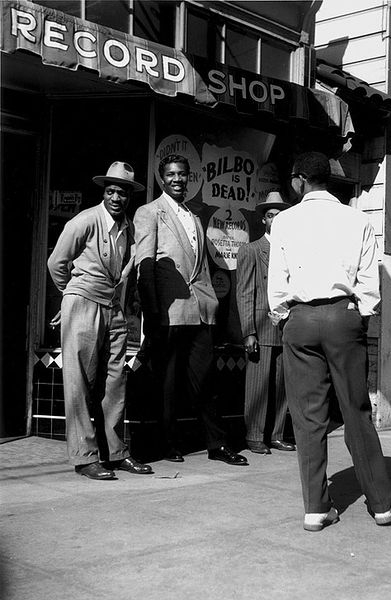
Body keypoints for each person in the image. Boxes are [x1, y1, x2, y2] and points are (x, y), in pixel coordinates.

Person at [267, 151, 391, 531]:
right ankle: (381, 504)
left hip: (301, 319)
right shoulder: (356, 219)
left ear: (299, 180)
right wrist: (360, 314)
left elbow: (278, 280)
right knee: (355, 410)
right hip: (344, 316)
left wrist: (283, 315)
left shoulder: (285, 221)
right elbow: (370, 280)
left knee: (308, 417)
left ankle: (316, 508)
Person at [134, 154, 247, 466]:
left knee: (206, 379)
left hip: (200, 310)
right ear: (162, 178)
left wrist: (211, 304)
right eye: (171, 174)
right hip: (169, 311)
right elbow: (145, 266)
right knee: (167, 382)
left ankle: (217, 444)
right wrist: (152, 315)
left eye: (182, 174)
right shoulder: (149, 212)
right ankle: (168, 444)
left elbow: (203, 269)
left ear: (188, 178)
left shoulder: (195, 216)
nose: (177, 179)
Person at [47, 161, 153, 480]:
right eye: (111, 191)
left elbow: (127, 267)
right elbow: (57, 262)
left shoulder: (128, 228)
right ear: (103, 193)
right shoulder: (85, 221)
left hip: (113, 307)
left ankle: (116, 452)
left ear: (129, 197)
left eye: (122, 192)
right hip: (84, 302)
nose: (116, 197)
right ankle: (84, 457)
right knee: (79, 382)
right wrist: (72, 297)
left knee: (115, 379)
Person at [236, 192, 296, 455]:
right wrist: (249, 331)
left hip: (287, 326)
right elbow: (245, 292)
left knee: (283, 384)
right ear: (264, 220)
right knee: (258, 384)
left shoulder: (293, 250)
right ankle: (254, 435)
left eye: (281, 215)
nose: (276, 219)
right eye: (271, 215)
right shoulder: (251, 250)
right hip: (261, 325)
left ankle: (277, 434)